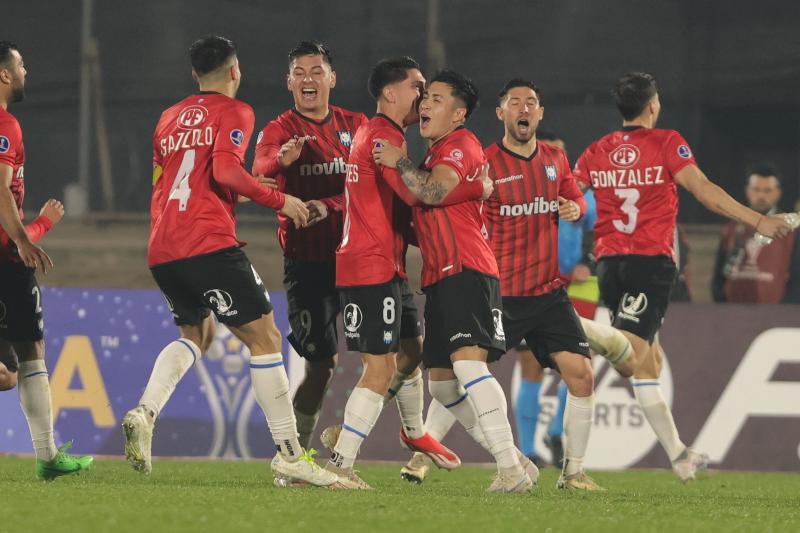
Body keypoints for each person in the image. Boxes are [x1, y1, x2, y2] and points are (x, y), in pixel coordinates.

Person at [121, 35, 341, 488]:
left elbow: (193, 182)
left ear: (194, 75)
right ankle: (289, 454)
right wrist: (280, 198)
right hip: (208, 243)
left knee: (196, 334)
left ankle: (145, 412)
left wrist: (268, 173)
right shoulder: (235, 112)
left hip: (164, 245)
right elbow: (224, 173)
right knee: (265, 338)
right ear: (235, 71)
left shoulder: (168, 118)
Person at [573, 72, 793, 481]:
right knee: (630, 358)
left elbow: (567, 198)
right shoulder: (667, 142)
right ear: (653, 105)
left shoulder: (595, 150)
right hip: (649, 263)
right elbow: (704, 190)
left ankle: (679, 455)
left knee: (648, 364)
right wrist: (758, 220)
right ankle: (568, 322)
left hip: (609, 264)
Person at [373, 70, 537, 493]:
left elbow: (430, 193)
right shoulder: (434, 155)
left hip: (467, 269)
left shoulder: (460, 146)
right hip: (440, 277)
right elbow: (425, 204)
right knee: (443, 387)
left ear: (459, 114)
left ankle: (509, 469)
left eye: (438, 99)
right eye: (425, 97)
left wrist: (399, 162)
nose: (425, 104)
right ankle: (516, 460)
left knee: (468, 365)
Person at [323, 57, 458, 489]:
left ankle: (414, 432)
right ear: (389, 93)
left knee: (412, 352)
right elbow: (416, 195)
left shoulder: (385, 134)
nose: (423, 96)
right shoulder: (382, 134)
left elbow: (400, 210)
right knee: (379, 368)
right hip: (369, 266)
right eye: (417, 86)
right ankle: (340, 464)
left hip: (387, 265)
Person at [252, 42, 368, 462]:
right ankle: (294, 453)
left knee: (398, 353)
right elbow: (258, 171)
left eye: (316, 70)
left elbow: (367, 187)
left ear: (332, 79)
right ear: (288, 82)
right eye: (299, 71)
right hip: (308, 264)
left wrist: (329, 205)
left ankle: (366, 436)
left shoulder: (356, 125)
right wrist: (280, 163)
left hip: (359, 259)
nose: (307, 79)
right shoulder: (278, 130)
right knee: (321, 365)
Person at [0, 40, 93, 480]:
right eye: (20, 65)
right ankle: (48, 455)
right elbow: (0, 189)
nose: (25, 71)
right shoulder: (5, 124)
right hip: (4, 259)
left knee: (9, 371)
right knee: (28, 353)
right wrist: (28, 235)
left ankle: (49, 455)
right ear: (3, 75)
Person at [712, 164, 800, 303]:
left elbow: (796, 275)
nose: (761, 195)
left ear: (778, 193)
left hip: (775, 312)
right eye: (756, 189)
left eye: (767, 190)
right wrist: (721, 302)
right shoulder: (731, 228)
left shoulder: (790, 231)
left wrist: (788, 310)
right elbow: (719, 274)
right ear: (747, 190)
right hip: (732, 310)